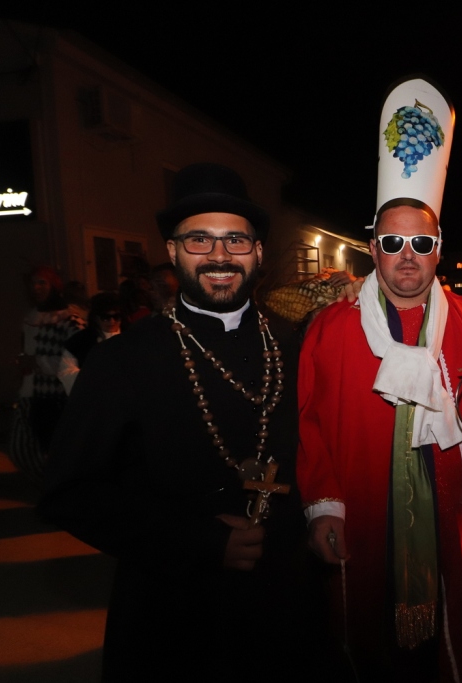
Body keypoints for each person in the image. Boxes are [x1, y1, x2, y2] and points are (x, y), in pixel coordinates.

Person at [39, 163, 315, 681]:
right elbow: (68, 492)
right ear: (172, 251)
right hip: (171, 611)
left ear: (258, 252)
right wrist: (199, 540)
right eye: (198, 240)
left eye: (236, 240)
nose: (219, 256)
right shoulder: (122, 359)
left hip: (283, 604)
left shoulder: (297, 344)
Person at [297, 77, 462, 682]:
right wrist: (323, 505)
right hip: (361, 517)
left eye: (420, 242)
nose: (406, 254)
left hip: (456, 519)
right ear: (373, 248)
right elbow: (308, 422)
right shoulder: (332, 325)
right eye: (392, 241)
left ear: (438, 250)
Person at [11, 266, 84, 483]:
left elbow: (75, 362)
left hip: (59, 396)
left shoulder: (71, 320)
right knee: (26, 446)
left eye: (42, 282)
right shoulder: (31, 317)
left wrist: (37, 362)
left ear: (54, 286)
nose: (36, 288)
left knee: (60, 447)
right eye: (33, 283)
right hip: (33, 393)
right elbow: (27, 352)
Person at [57, 292, 124, 395]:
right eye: (105, 317)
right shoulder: (79, 341)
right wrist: (96, 376)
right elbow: (66, 372)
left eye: (116, 316)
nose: (112, 321)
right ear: (96, 317)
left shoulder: (131, 338)